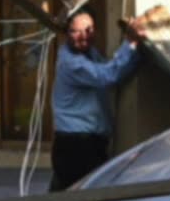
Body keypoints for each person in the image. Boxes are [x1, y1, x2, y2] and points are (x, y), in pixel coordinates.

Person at [49, 10, 147, 191]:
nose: (83, 36)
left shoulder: (89, 53)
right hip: (75, 146)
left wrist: (139, 53)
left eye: (88, 30)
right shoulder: (72, 63)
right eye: (76, 31)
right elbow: (108, 75)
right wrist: (130, 42)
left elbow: (116, 74)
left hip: (88, 144)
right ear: (66, 33)